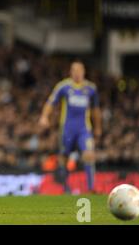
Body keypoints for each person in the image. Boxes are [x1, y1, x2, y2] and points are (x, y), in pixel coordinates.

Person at [39, 61, 102, 193]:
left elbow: (96, 110)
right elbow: (51, 102)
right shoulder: (64, 87)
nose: (77, 73)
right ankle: (65, 188)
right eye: (74, 70)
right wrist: (45, 116)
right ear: (71, 72)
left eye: (80, 70)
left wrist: (97, 127)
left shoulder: (91, 88)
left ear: (84, 72)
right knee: (64, 157)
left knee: (89, 154)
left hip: (84, 129)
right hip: (67, 129)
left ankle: (91, 189)